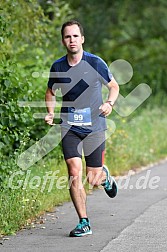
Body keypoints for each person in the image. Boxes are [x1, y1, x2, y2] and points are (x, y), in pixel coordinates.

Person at [45, 20, 119, 237]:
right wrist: (50, 112)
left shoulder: (95, 63)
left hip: (95, 127)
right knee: (73, 171)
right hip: (69, 125)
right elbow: (50, 92)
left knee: (92, 178)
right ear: (63, 41)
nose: (72, 40)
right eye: (68, 37)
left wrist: (109, 103)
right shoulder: (58, 66)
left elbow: (113, 86)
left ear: (82, 39)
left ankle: (103, 177)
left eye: (75, 36)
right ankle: (83, 222)